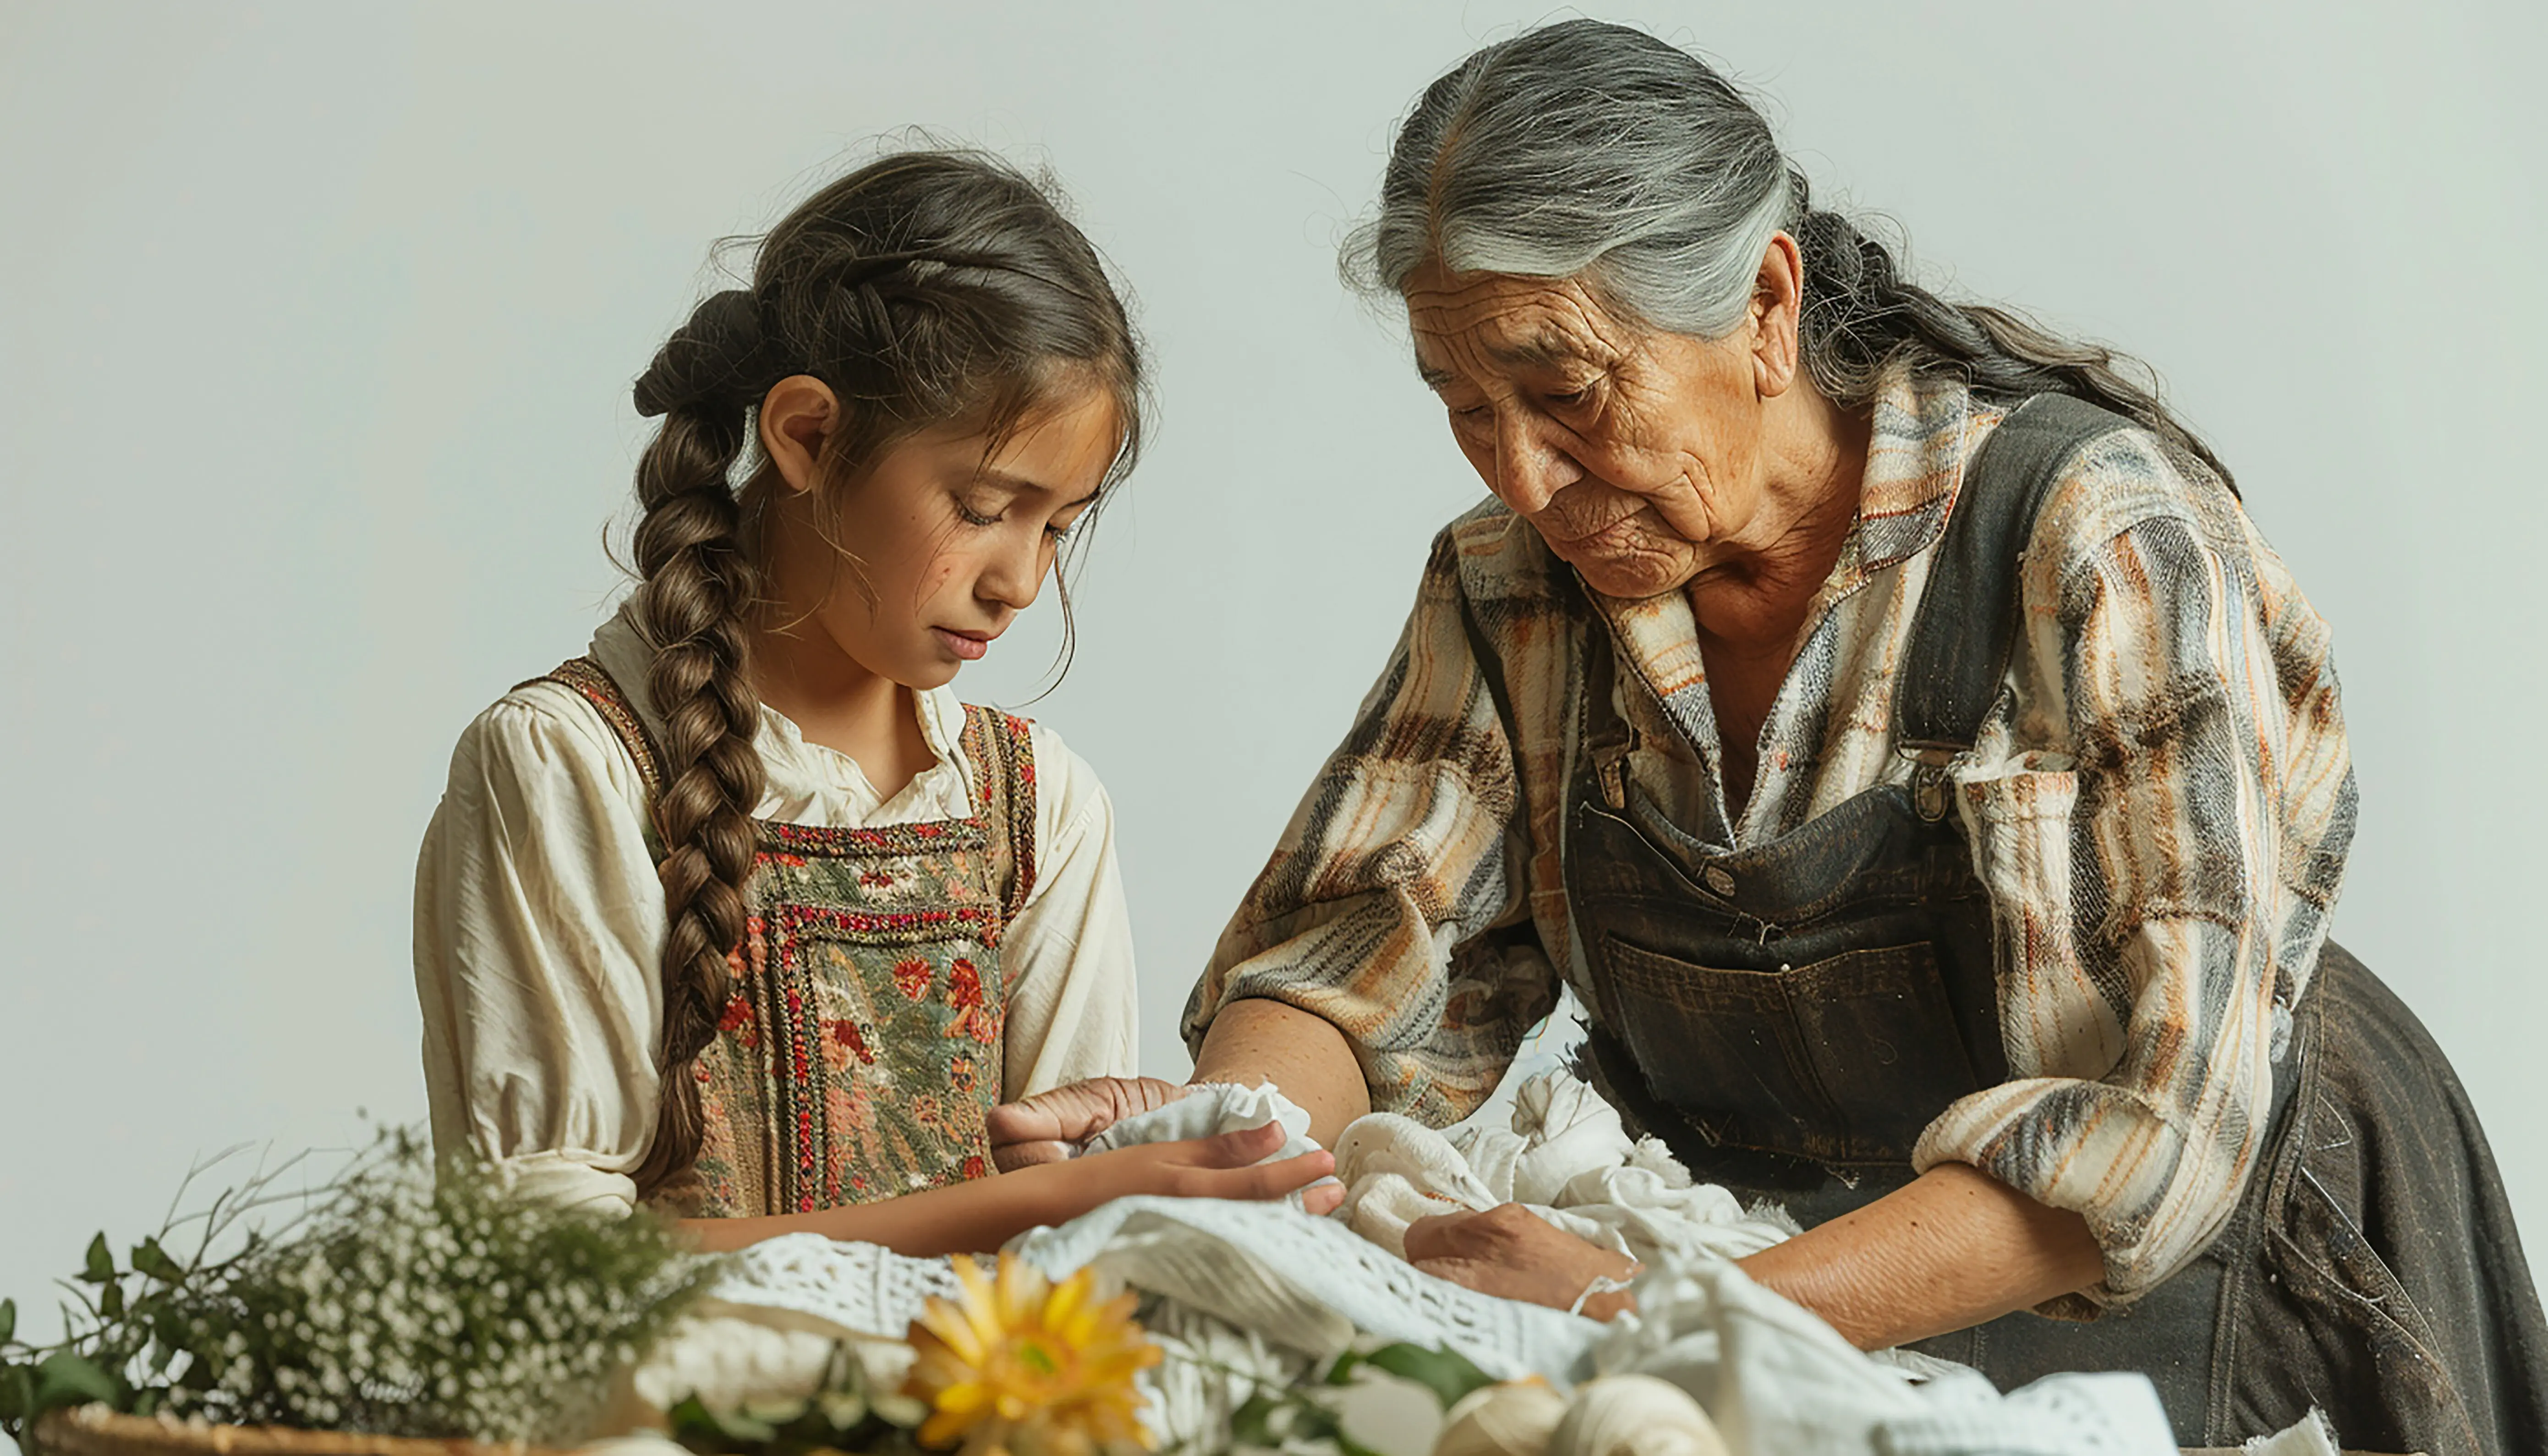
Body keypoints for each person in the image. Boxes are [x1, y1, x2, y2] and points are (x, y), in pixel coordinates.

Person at [998, 21, 2548, 1454]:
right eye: (1466, 406)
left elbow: (2156, 1136)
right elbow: (1359, 950)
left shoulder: (2097, 536)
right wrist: (1228, 1141)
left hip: (2202, 1302)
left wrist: (1652, 1312)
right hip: (1770, 1300)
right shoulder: (1513, 585)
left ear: (1765, 306)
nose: (1523, 477)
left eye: (1565, 393)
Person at [413, 150, 1335, 1258]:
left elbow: (1086, 1260)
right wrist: (1043, 1200)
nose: (1019, 581)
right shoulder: (573, 767)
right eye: (983, 506)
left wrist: (1124, 1178)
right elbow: (548, 1264)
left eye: (1056, 526)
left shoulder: (1040, 811)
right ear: (808, 434)